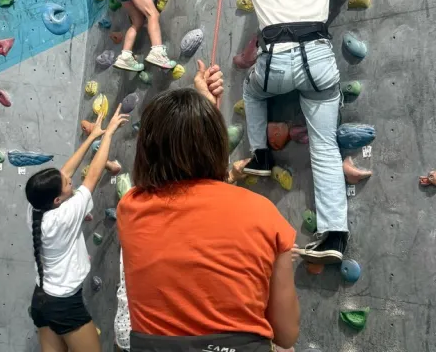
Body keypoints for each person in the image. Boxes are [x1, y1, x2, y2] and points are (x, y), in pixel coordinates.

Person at [116, 61, 300, 352]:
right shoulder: (263, 214)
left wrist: (204, 108)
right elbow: (286, 334)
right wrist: (206, 111)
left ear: (146, 151)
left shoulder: (131, 207)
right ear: (216, 143)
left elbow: (194, 198)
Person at [241, 0, 377, 264]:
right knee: (324, 145)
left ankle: (261, 156)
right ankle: (334, 235)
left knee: (252, 91)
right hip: (316, 58)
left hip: (273, 61)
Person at [27, 106, 129, 352]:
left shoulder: (36, 209)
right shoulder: (66, 215)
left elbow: (65, 171)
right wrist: (109, 133)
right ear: (57, 200)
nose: (69, 180)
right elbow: (93, 175)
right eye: (66, 184)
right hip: (64, 304)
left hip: (41, 299)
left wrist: (92, 137)